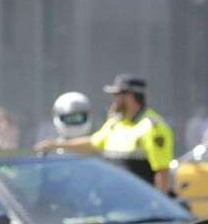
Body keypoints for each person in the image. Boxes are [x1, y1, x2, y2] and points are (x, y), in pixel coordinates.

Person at [35, 74, 175, 192]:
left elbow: (161, 172)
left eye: (116, 95)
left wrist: (157, 206)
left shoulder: (152, 127)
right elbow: (93, 143)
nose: (113, 99)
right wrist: (56, 145)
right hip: (112, 202)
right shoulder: (116, 123)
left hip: (137, 206)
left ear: (129, 96)